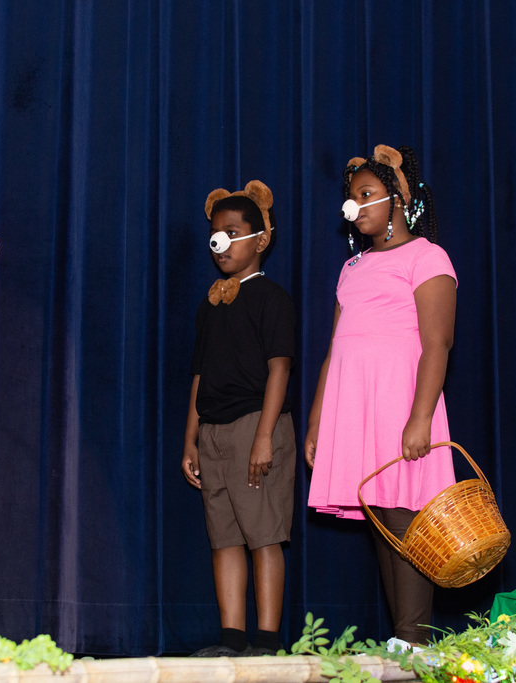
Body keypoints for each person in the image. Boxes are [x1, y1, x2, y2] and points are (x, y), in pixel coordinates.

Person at [305, 145, 456, 644]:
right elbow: (334, 350)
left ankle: (414, 640)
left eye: (366, 195)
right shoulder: (352, 269)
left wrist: (420, 418)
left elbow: (438, 343)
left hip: (401, 404)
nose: (355, 206)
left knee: (404, 519)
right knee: (381, 525)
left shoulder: (427, 256)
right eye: (351, 198)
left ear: (397, 198)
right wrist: (316, 422)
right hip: (354, 411)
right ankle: (406, 638)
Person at [182, 181, 297, 657]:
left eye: (232, 232)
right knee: (224, 538)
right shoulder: (210, 306)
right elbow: (199, 376)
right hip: (213, 432)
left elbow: (280, 368)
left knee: (263, 534)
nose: (221, 243)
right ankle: (231, 639)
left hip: (256, 425)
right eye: (215, 233)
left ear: (260, 240)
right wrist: (190, 440)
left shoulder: (272, 298)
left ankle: (266, 642)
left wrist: (265, 437)